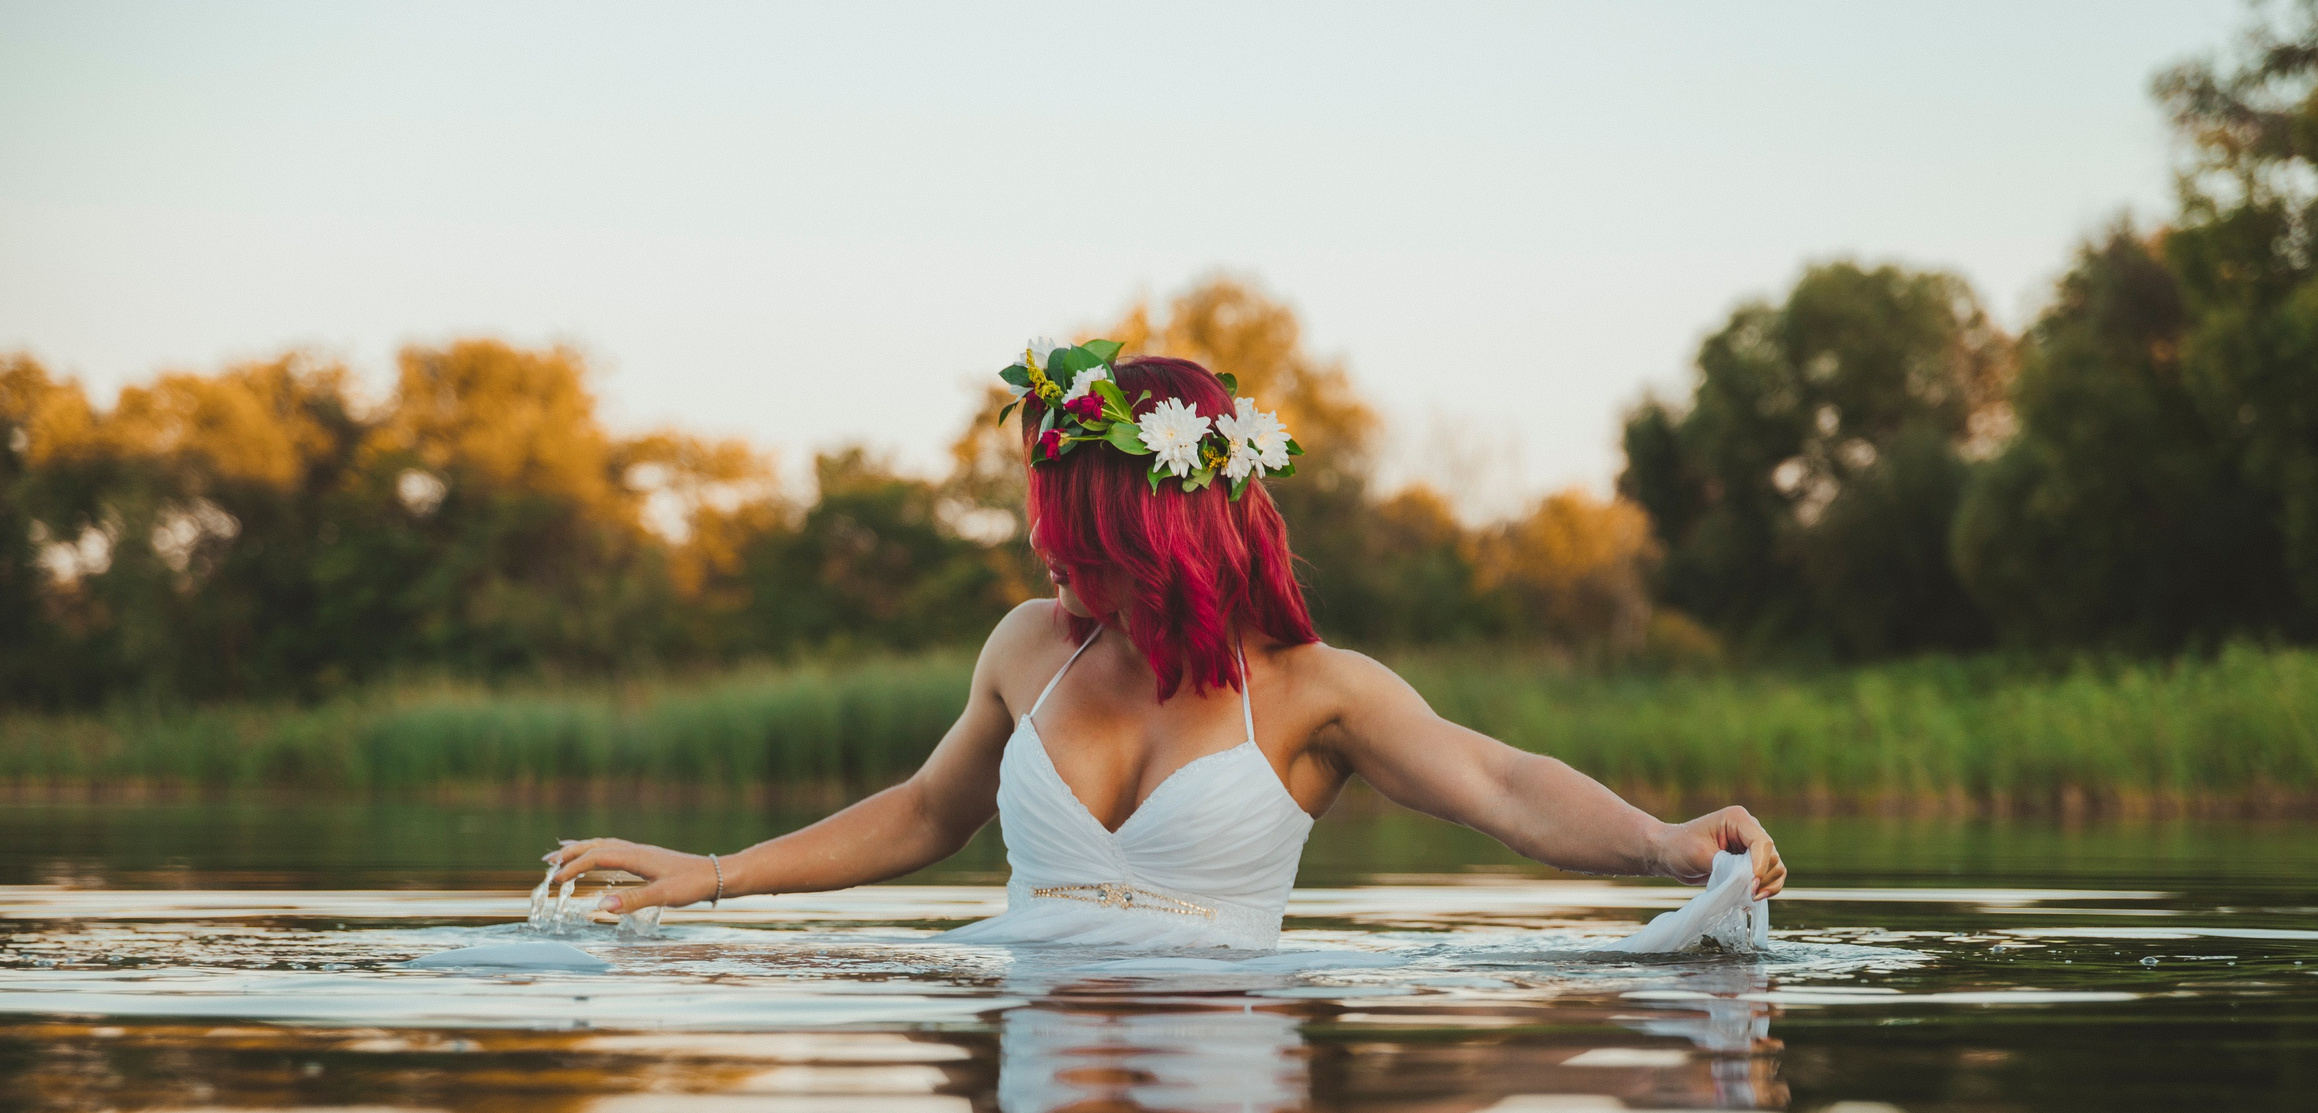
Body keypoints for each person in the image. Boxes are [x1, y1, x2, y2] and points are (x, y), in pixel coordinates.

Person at [549, 344, 1785, 952]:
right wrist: (709, 876)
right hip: (1013, 1008)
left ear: (1160, 538)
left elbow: (1504, 784)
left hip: (1220, 1065)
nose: (1045, 557)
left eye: (1073, 538)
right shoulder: (1028, 646)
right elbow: (929, 813)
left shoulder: (1313, 693)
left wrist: (1662, 844)